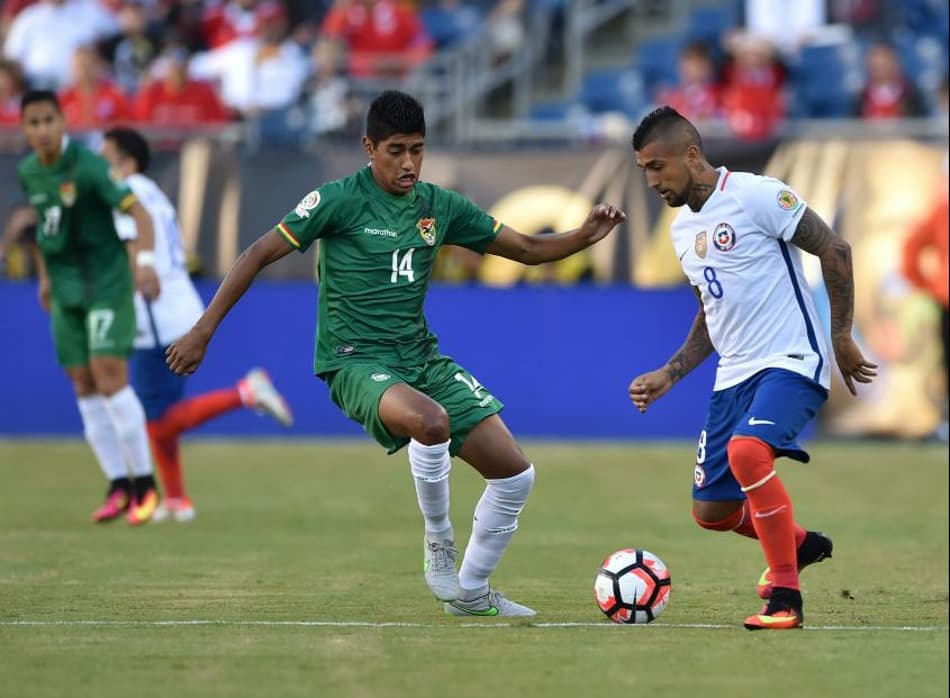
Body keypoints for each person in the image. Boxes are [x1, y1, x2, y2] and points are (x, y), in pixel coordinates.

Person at [167, 90, 625, 616]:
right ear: (369, 147)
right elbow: (257, 253)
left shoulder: (439, 206)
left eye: (418, 149)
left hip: (420, 359)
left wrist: (585, 236)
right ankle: (438, 540)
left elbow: (525, 248)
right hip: (354, 360)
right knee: (430, 423)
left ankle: (471, 594)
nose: (409, 162)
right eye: (396, 150)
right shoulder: (338, 200)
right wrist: (204, 328)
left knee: (516, 476)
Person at [628, 106, 877, 630]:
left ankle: (784, 599)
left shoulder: (757, 195)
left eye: (657, 166)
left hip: (790, 361)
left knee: (747, 452)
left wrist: (840, 337)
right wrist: (669, 374)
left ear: (691, 156)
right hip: (733, 376)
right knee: (711, 512)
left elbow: (835, 248)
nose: (651, 180)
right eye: (643, 170)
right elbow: (709, 314)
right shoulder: (681, 232)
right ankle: (800, 544)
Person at [100, 127, 295, 522]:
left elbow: (131, 248)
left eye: (107, 158)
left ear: (127, 161)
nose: (102, 168)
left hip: (156, 312)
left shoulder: (127, 194)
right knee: (159, 414)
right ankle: (176, 500)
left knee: (156, 418)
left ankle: (245, 393)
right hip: (175, 306)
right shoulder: (153, 193)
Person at [15, 89, 163, 525]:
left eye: (48, 121)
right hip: (65, 291)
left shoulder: (91, 167)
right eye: (33, 123)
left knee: (109, 375)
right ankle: (118, 484)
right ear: (23, 129)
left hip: (106, 285)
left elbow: (140, 215)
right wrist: (44, 277)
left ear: (63, 123)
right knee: (81, 382)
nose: (41, 130)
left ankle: (146, 485)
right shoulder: (29, 172)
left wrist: (146, 263)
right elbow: (45, 228)